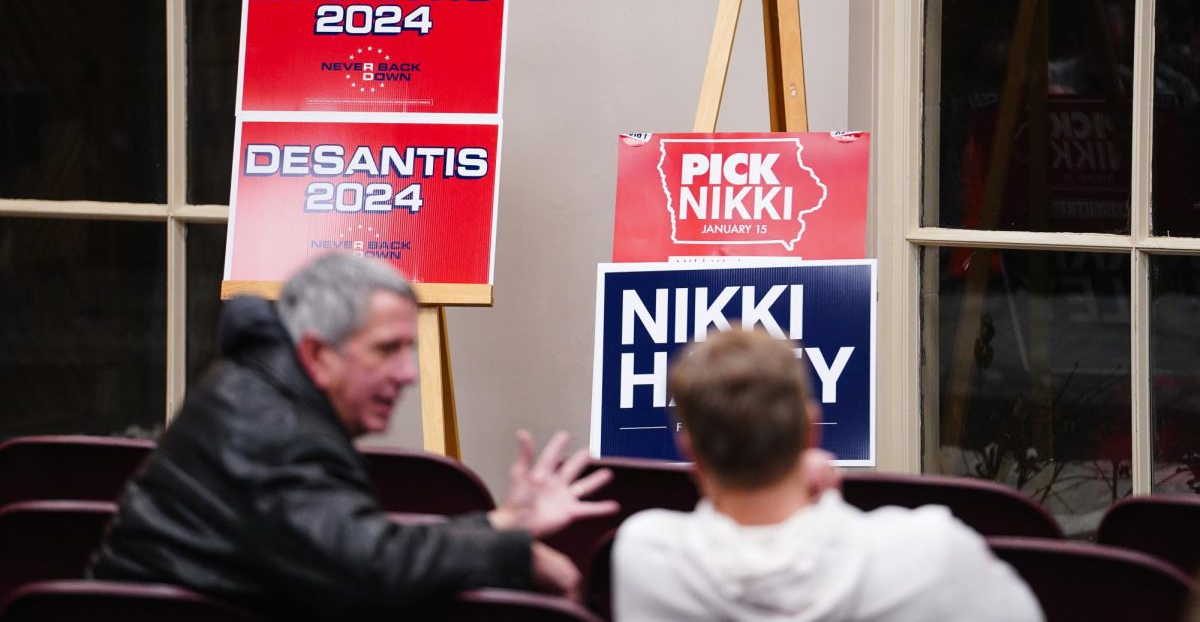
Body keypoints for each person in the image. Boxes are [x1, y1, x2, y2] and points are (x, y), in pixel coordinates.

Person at [90, 253, 616, 619]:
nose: (409, 373)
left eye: (409, 350)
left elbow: (351, 546)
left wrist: (504, 522)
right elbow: (370, 571)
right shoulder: (279, 431)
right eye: (387, 350)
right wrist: (518, 554)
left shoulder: (259, 388)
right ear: (319, 355)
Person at [612, 328, 1044, 622]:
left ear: (690, 449)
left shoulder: (644, 556)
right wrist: (828, 503)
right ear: (812, 428)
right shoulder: (931, 552)